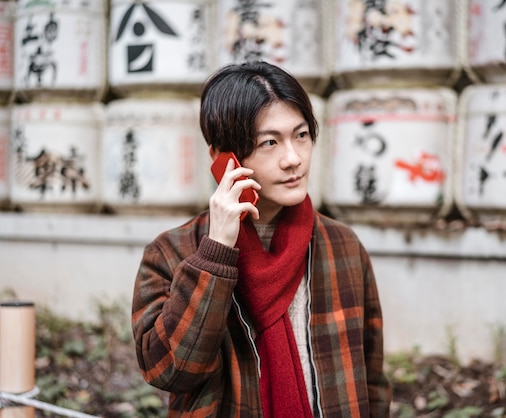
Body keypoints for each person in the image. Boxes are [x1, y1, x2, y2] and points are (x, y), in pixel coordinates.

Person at [131, 61, 391, 417]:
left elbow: (371, 377)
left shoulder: (341, 246)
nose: (293, 159)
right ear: (223, 158)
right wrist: (215, 254)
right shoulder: (173, 252)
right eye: (269, 142)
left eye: (301, 135)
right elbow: (169, 371)